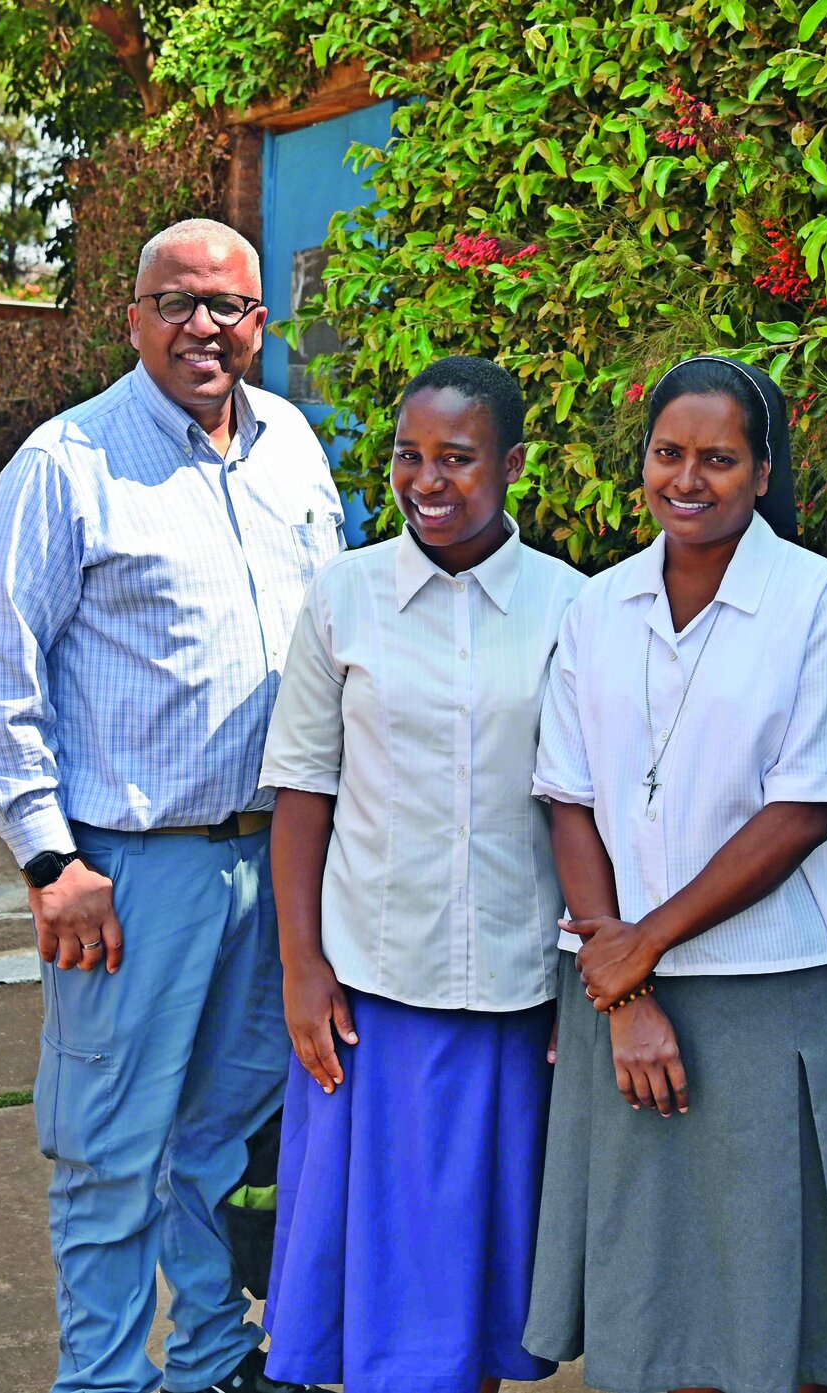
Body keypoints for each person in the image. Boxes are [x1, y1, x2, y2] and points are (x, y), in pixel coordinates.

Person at [0, 218, 341, 1393]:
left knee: (219, 1141)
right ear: (133, 318)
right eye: (175, 302)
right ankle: (108, 1377)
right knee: (110, 1151)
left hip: (272, 859)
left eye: (226, 306)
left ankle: (215, 1360)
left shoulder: (292, 448)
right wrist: (47, 859)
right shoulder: (69, 462)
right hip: (128, 870)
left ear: (259, 323)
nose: (202, 328)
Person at [524, 354, 827, 1393]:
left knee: (779, 1293)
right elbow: (570, 798)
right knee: (655, 1289)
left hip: (768, 990)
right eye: (668, 453)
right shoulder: (597, 607)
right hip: (613, 991)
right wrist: (624, 973)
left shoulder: (816, 598)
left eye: (718, 458)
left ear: (762, 471)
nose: (688, 477)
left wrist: (646, 939)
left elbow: (803, 807)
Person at [256, 356, 584, 1392]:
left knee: (479, 1289)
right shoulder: (344, 598)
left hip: (512, 992)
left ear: (513, 465)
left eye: (457, 458)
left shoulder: (572, 607)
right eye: (408, 455)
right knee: (375, 1287)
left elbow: (591, 809)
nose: (426, 481)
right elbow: (303, 791)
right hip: (369, 995)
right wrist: (302, 967)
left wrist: (586, 979)